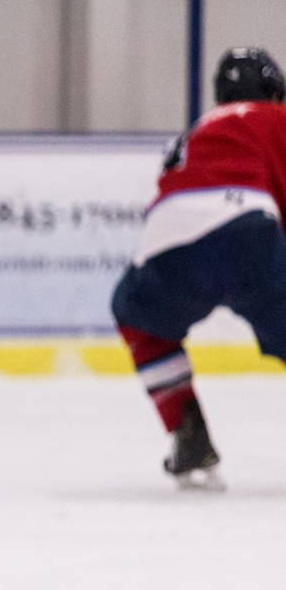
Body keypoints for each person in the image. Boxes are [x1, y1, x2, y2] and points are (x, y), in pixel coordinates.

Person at [112, 46, 286, 491]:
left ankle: (187, 432)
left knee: (138, 318)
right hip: (247, 229)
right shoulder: (274, 120)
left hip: (168, 241)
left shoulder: (194, 133)